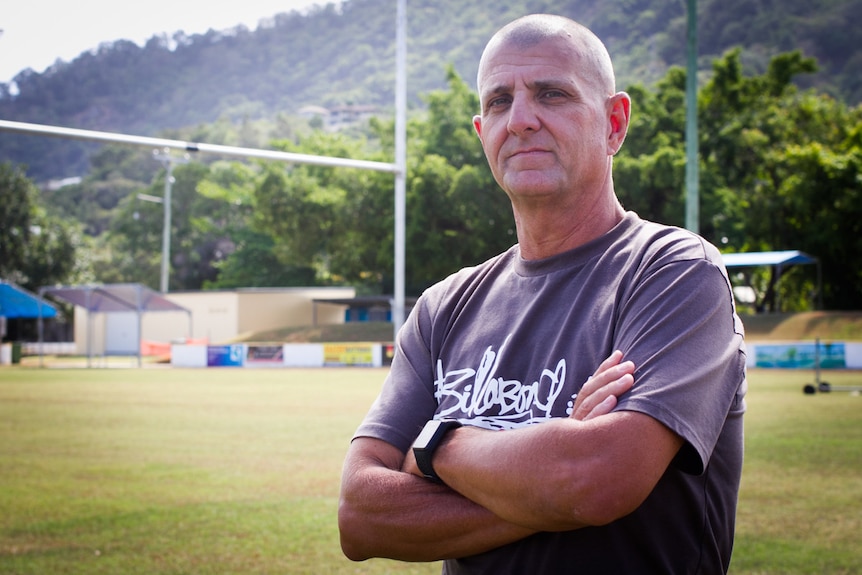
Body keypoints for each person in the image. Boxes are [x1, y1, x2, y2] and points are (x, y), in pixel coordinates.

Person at [338, 13, 747, 575]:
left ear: (614, 123)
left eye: (552, 94)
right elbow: (360, 517)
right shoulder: (442, 308)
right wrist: (549, 481)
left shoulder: (674, 273)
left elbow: (595, 481)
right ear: (484, 132)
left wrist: (435, 447)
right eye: (500, 101)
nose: (522, 120)